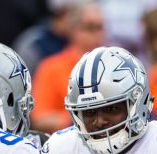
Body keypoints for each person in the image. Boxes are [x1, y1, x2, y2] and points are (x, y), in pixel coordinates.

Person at [30, 3, 107, 133]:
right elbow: (40, 118)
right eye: (90, 27)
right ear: (73, 29)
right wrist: (86, 117)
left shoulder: (111, 64)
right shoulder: (51, 67)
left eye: (100, 27)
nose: (97, 34)